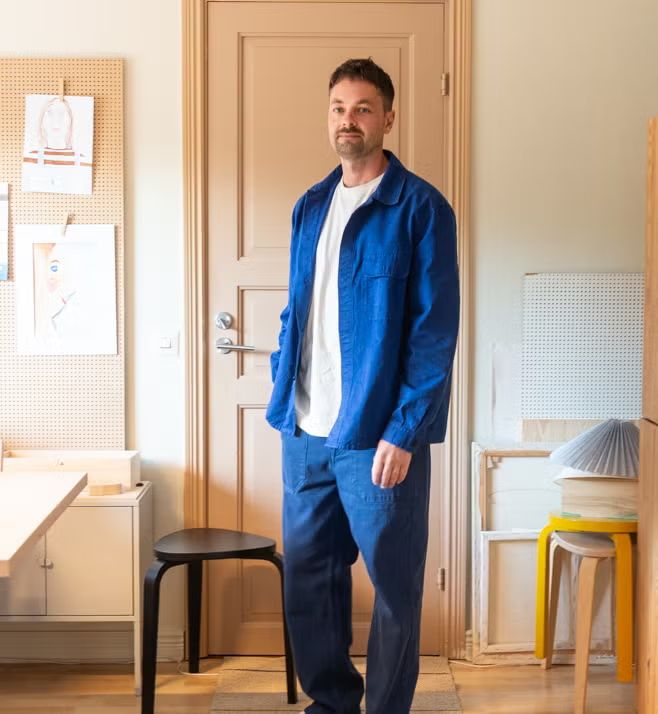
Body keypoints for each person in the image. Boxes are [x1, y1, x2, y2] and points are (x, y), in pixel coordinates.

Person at [266, 57, 460, 714]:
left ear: (388, 118)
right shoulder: (310, 206)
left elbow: (434, 333)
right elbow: (298, 309)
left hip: (377, 437)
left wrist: (405, 431)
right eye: (338, 108)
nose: (348, 121)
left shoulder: (421, 208)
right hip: (305, 434)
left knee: (394, 590)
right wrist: (282, 376)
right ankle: (330, 705)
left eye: (362, 109)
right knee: (309, 584)